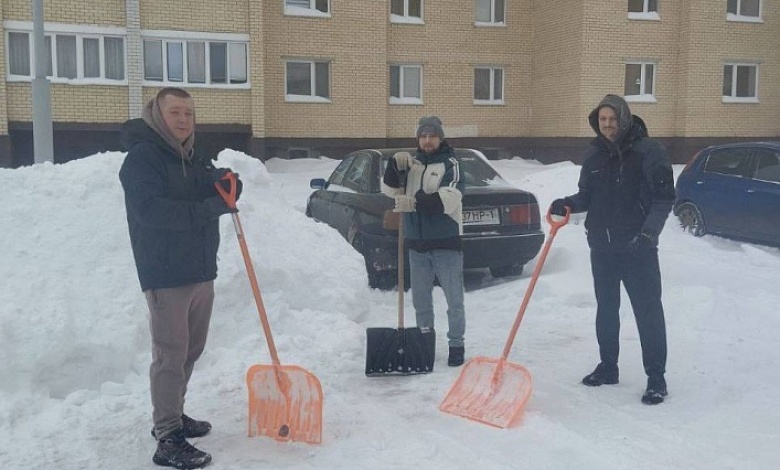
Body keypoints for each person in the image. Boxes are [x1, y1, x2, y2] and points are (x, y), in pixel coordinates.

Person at [119, 87, 242, 468]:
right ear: (158, 115)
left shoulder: (193, 156)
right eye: (175, 112)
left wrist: (228, 181)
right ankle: (167, 435)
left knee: (190, 350)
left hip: (200, 269)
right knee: (170, 356)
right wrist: (209, 209)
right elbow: (152, 212)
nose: (184, 120)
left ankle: (174, 414)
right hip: (166, 272)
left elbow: (211, 184)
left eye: (189, 113)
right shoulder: (143, 159)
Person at [550, 94, 675, 405]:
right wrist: (568, 204)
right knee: (606, 311)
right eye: (602, 119)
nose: (608, 125)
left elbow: (663, 199)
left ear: (624, 118)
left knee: (647, 313)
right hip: (602, 248)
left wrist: (648, 235)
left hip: (638, 249)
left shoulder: (649, 151)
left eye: (613, 119)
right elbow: (587, 196)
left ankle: (656, 377)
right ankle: (608, 367)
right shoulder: (593, 155)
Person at [381, 116, 467, 367]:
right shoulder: (412, 164)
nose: (427, 140)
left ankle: (456, 344)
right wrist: (394, 166)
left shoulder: (451, 164)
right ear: (418, 138)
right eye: (423, 136)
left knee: (454, 300)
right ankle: (424, 341)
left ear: (440, 138)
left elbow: (450, 197)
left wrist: (415, 203)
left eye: (432, 136)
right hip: (416, 244)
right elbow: (390, 190)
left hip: (445, 242)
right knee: (421, 300)